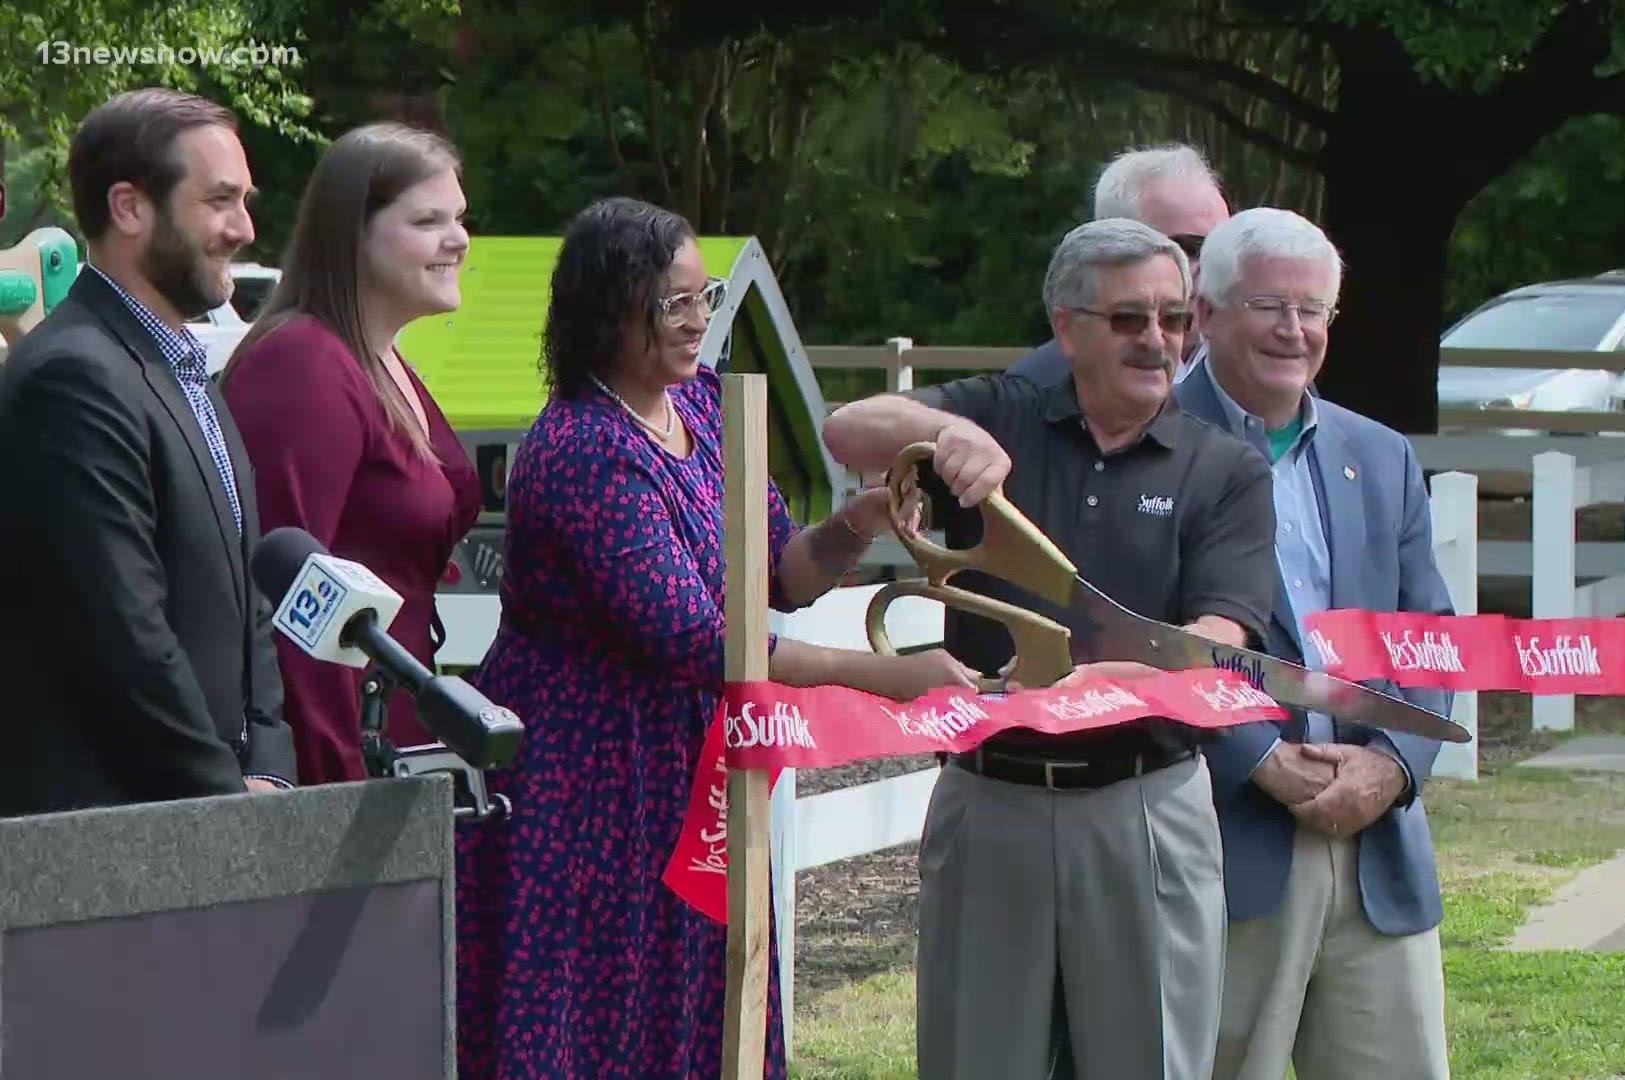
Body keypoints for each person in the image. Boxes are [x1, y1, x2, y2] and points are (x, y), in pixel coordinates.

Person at [452, 196, 979, 1079]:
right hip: (588, 779)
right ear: (606, 310)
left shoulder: (703, 412)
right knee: (599, 1012)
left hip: (689, 765)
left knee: (705, 998)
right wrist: (892, 678)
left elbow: (777, 574)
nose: (699, 321)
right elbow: (699, 640)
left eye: (708, 298)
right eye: (673, 303)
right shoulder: (582, 448)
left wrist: (858, 522)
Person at [822, 218, 1279, 1080]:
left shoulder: (1226, 469)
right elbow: (848, 430)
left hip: (1144, 802)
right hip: (990, 799)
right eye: (1129, 319)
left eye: (1175, 319)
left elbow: (1223, 637)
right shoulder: (1003, 414)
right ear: (1067, 328)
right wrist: (939, 431)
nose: (1159, 341)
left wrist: (1110, 685)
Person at [1173, 207, 1453, 1079]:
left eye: (1313, 310)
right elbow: (1145, 645)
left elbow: (1430, 639)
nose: (1293, 330)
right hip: (1225, 841)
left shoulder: (1381, 454)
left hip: (1376, 849)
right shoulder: (1147, 447)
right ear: (1206, 312)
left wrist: (1394, 764)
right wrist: (1263, 761)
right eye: (1268, 305)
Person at [0, 88, 297, 815]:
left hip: (209, 819)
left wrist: (271, 767)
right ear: (130, 207)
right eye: (221, 200)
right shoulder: (72, 378)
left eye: (245, 200)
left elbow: (246, 596)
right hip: (118, 837)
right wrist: (227, 799)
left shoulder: (181, 365)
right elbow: (123, 632)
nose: (244, 228)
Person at [220, 122, 482, 784]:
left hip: (398, 756)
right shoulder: (302, 365)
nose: (459, 240)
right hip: (337, 773)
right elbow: (289, 609)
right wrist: (337, 789)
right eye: (429, 221)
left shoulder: (381, 358)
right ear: (352, 236)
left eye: (460, 218)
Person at [1006, 143, 1230, 386]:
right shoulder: (1036, 390)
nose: (1213, 266)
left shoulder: (1253, 367)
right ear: (1115, 246)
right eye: (1190, 248)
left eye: (1223, 247)